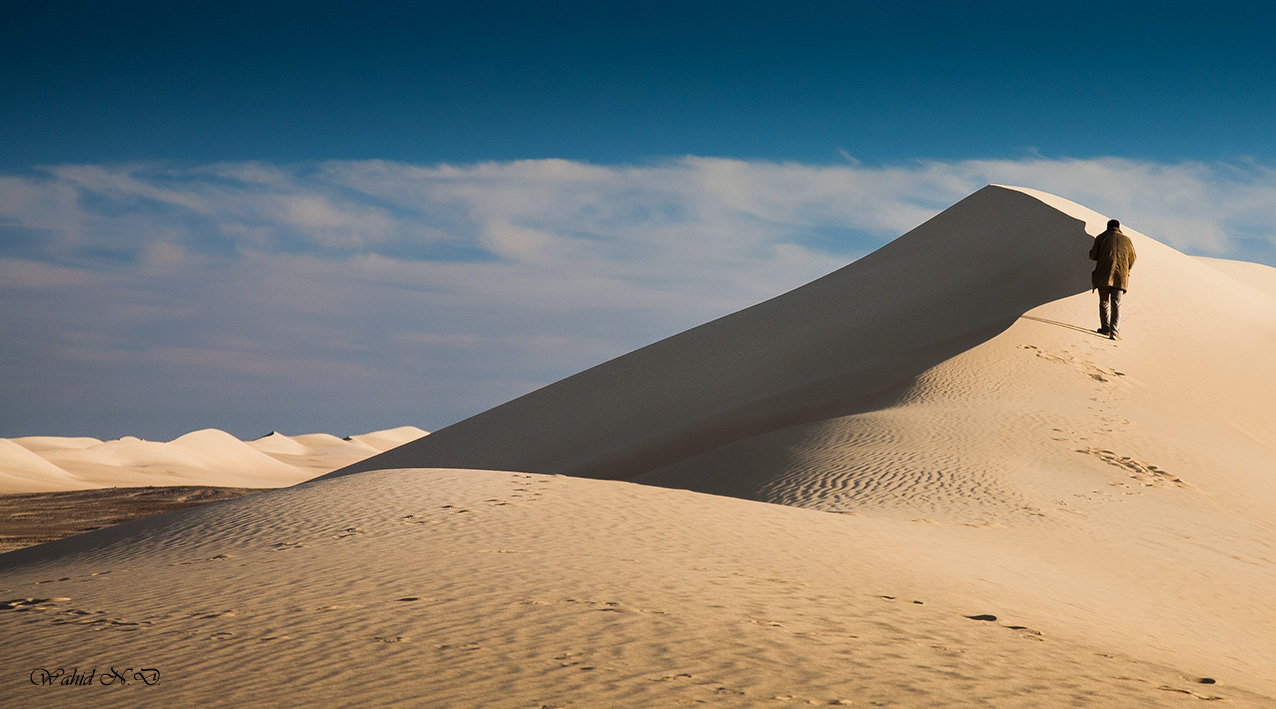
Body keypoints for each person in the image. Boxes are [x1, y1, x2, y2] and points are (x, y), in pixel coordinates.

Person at [1089, 219, 1137, 340]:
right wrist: (1126, 269)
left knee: (1104, 302)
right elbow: (1133, 258)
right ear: (1119, 227)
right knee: (1116, 303)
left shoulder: (1100, 238)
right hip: (1120, 277)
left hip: (1103, 274)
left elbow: (1092, 256)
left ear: (1107, 227)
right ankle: (1114, 332)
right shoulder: (1127, 240)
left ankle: (1105, 328)